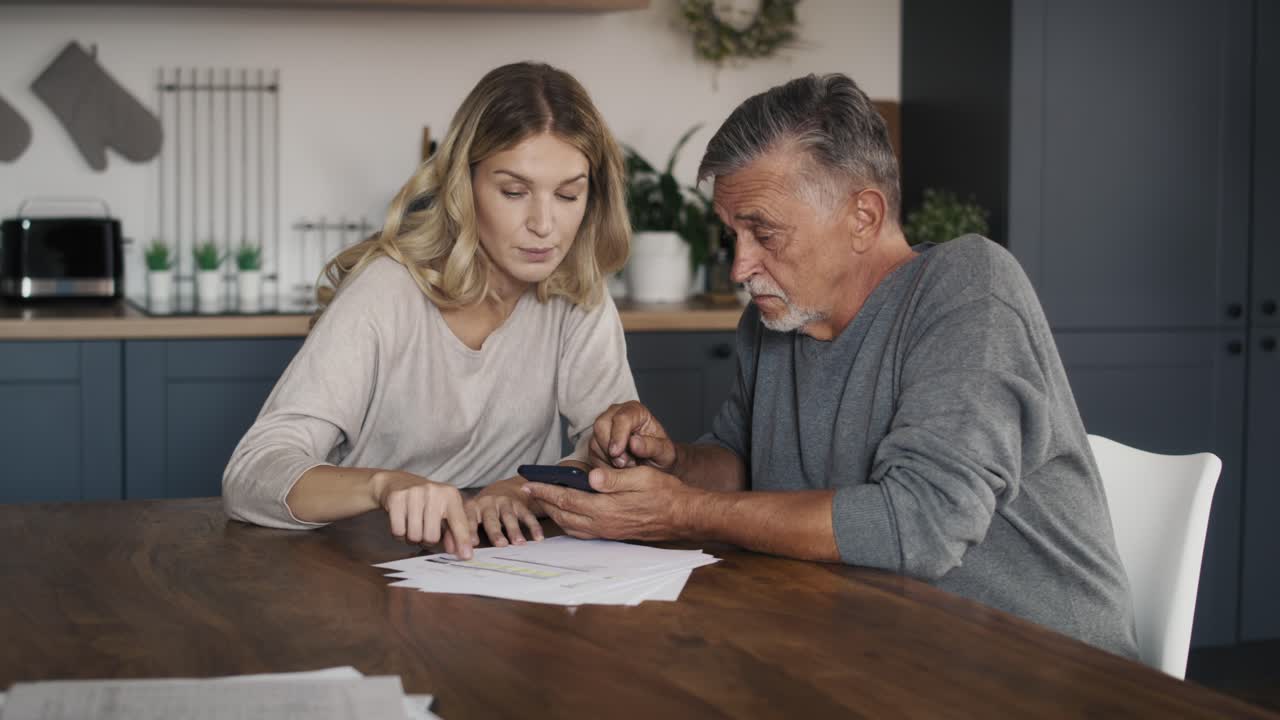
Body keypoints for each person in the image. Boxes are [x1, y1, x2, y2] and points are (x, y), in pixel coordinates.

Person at [525, 73, 1139, 657]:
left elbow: (922, 525)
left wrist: (681, 510)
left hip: (1039, 668)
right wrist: (672, 464)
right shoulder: (774, 321)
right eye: (734, 235)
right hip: (871, 647)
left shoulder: (969, 288)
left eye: (765, 233)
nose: (740, 267)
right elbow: (741, 466)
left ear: (863, 217)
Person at [224, 62, 638, 560]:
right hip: (367, 566)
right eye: (514, 192)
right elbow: (251, 475)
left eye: (569, 194)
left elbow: (612, 458)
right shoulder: (386, 291)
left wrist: (523, 490)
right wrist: (383, 486)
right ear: (464, 184)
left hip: (505, 569)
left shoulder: (578, 295)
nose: (544, 224)